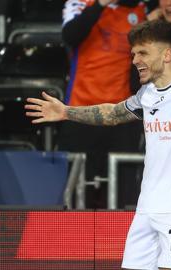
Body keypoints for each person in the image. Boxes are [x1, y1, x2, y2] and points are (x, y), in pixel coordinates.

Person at [25, 19, 171, 270]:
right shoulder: (147, 94)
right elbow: (112, 113)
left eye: (143, 52)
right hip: (146, 207)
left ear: (166, 54)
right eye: (133, 53)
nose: (135, 60)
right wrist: (67, 112)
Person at [60, 0, 147, 208]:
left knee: (124, 191)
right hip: (81, 109)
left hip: (122, 114)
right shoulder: (79, 3)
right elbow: (70, 35)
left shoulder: (141, 8)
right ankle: (76, 237)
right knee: (79, 190)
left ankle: (123, 238)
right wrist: (100, 4)